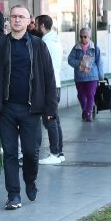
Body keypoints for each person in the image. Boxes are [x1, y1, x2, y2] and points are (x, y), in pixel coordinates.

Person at [0, 5, 57, 211]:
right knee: (9, 153)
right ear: (9, 20)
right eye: (14, 16)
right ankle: (13, 194)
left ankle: (30, 181)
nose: (17, 20)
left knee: (31, 152)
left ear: (28, 21)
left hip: (31, 110)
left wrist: (51, 109)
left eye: (21, 17)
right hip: (6, 108)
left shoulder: (38, 45)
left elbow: (49, 78)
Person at [36, 16, 65, 165]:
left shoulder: (45, 43)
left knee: (50, 119)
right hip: (57, 84)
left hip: (48, 86)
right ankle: (59, 152)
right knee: (55, 118)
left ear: (41, 26)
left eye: (35, 24)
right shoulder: (56, 42)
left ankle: (54, 153)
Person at [67, 28, 104, 122]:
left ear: (89, 37)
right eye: (81, 37)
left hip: (92, 76)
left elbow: (99, 62)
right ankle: (85, 109)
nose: (83, 39)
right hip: (80, 76)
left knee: (90, 95)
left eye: (85, 37)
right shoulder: (76, 48)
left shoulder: (95, 48)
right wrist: (79, 63)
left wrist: (101, 76)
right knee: (81, 95)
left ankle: (89, 113)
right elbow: (70, 60)